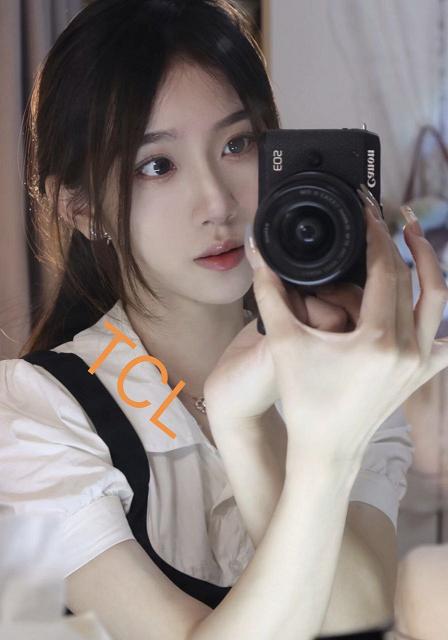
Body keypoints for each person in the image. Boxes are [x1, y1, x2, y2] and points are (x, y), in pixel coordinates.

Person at [0, 0, 446, 638]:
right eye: (157, 165)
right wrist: (319, 450)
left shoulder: (346, 369)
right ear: (82, 209)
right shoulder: (37, 416)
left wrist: (250, 429)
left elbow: (351, 621)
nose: (217, 202)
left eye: (238, 145)